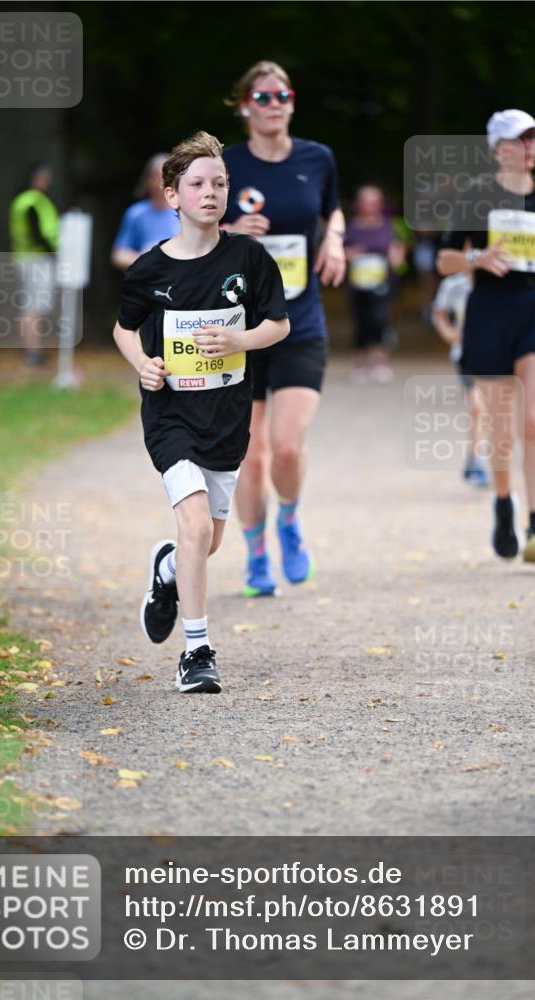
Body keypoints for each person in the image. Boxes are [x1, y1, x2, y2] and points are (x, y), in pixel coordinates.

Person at [113, 132, 289, 693]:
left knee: (207, 541)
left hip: (227, 416)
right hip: (170, 416)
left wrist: (239, 339)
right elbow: (122, 329)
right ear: (172, 195)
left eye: (219, 183)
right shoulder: (148, 270)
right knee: (192, 524)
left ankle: (166, 570)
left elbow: (278, 325)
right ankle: (197, 650)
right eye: (196, 184)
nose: (209, 193)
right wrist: (143, 362)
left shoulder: (249, 258)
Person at [437, 109, 535, 563]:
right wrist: (477, 259)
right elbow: (446, 258)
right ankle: (504, 503)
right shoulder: (476, 195)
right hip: (490, 312)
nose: (529, 147)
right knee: (502, 430)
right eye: (519, 140)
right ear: (496, 148)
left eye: (534, 139)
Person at [221, 60, 346, 596]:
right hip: (237, 330)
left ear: (292, 103)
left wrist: (335, 239)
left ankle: (289, 524)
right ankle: (255, 556)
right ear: (246, 105)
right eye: (263, 96)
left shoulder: (318, 158)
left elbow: (333, 211)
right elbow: (191, 227)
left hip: (298, 322)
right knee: (251, 457)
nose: (273, 104)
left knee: (287, 446)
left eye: (282, 95)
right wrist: (229, 229)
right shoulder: (225, 163)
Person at [431, 271, 490, 487]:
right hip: (465, 353)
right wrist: (449, 334)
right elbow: (439, 314)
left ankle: (483, 457)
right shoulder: (453, 284)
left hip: (497, 352)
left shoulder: (500, 281)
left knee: (494, 409)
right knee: (477, 405)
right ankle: (476, 460)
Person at [344, 185, 405, 383]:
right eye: (365, 201)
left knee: (380, 320)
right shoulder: (350, 226)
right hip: (357, 284)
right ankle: (361, 363)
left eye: (374, 201)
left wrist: (396, 257)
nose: (369, 206)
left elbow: (399, 251)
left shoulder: (390, 226)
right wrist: (351, 254)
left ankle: (380, 362)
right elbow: (338, 252)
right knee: (361, 322)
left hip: (383, 283)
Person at [9, 162, 59, 366]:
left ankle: (34, 350)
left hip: (27, 259)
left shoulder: (24, 201)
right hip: (36, 259)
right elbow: (37, 233)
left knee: (31, 306)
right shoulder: (31, 202)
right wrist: (53, 252)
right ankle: (33, 352)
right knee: (33, 308)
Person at [111, 153, 180, 270]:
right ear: (147, 181)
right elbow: (119, 255)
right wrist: (146, 259)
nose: (163, 182)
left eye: (168, 176)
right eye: (158, 177)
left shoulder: (185, 213)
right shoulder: (136, 213)